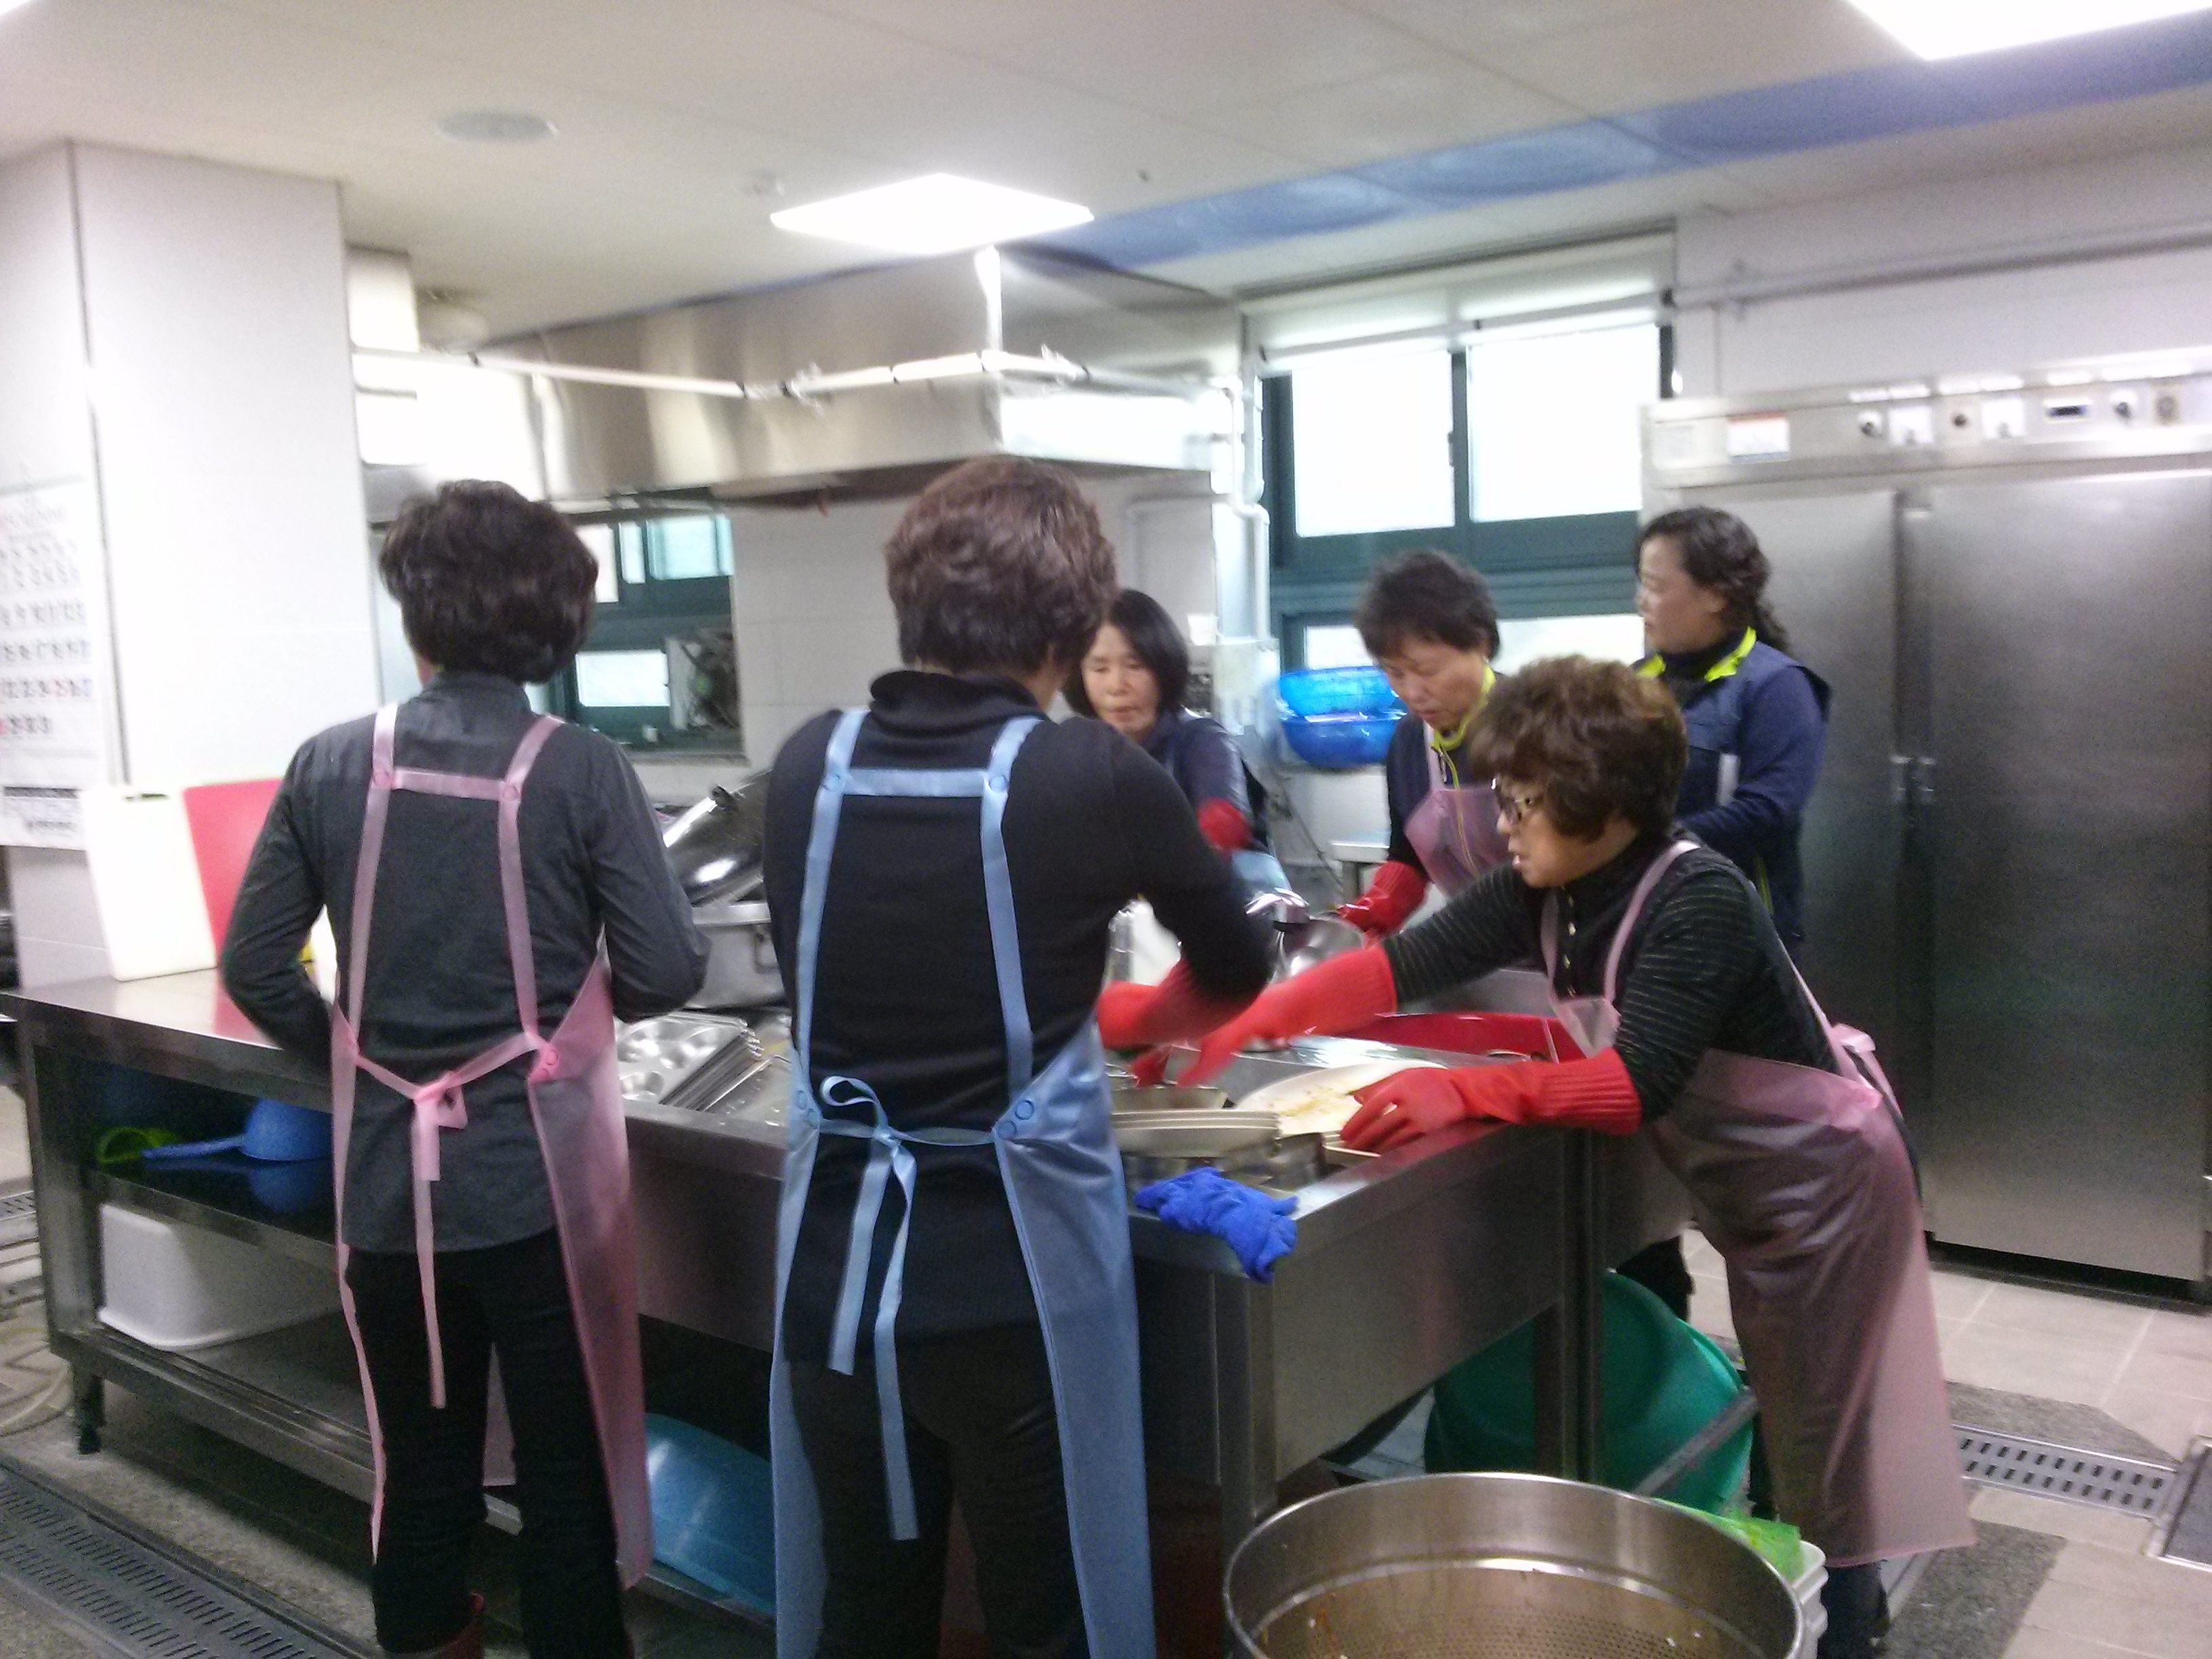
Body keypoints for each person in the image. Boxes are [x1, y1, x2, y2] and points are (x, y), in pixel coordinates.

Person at [1183, 657, 1970, 1659]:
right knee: (1800, 1423)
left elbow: (1632, 1085)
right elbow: (1399, 966)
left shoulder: (1697, 896)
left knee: (1839, 1459)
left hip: (1827, 1185)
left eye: (1525, 802)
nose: (1503, 825)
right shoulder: (1546, 887)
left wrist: (1464, 1090)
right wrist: (1254, 1016)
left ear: (1607, 806)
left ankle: (1845, 1633)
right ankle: (1811, 1595)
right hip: (1749, 1184)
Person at [764, 457, 1271, 1659]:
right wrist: (1127, 1023)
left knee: (867, 1612)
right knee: (1047, 1620)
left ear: (910, 599)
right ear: (1067, 628)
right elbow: (1238, 963)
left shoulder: (806, 762)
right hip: (1014, 1292)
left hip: (836, 1280)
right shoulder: (1089, 771)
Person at [223, 481, 710, 1659]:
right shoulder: (583, 770)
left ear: (416, 614)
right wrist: (556, 1028)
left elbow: (255, 964)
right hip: (540, 1197)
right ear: (555, 628)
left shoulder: (330, 762)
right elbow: (666, 964)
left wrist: (357, 1060)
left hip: (388, 1197)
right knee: (565, 1474)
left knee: (419, 1467)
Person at [1635, 507, 1830, 951]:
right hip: (1644, 920)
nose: (1641, 601)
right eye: (1642, 584)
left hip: (1737, 931)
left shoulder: (1776, 685)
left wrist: (1644, 848)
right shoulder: (1633, 682)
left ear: (1715, 595)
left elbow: (1768, 811)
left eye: (1656, 586)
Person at [1336, 550, 1509, 938]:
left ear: (1480, 644)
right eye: (1395, 674)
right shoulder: (1409, 741)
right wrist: (1376, 908)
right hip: (1479, 944)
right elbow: (1408, 857)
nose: (1413, 693)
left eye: (1427, 670)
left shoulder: (1532, 725)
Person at [1067, 588, 1273, 868]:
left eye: (1135, 665)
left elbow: (1223, 827)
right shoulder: (1078, 749)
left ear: (1164, 667)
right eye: (1100, 669)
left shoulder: (1202, 740)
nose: (1117, 686)